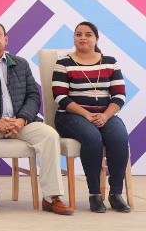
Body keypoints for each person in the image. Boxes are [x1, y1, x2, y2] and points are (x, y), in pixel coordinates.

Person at [0, 21, 73, 216]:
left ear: (6, 39)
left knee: (49, 135)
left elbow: (33, 96)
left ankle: (51, 197)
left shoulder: (21, 63)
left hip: (20, 122)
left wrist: (22, 119)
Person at [52, 21, 130, 213]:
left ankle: (116, 194)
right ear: (74, 38)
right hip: (71, 116)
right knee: (92, 137)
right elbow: (60, 97)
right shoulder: (63, 64)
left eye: (88, 35)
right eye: (78, 34)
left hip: (105, 114)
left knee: (119, 137)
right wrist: (87, 114)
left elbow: (119, 95)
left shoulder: (110, 62)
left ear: (96, 39)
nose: (83, 38)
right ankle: (94, 194)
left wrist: (105, 115)